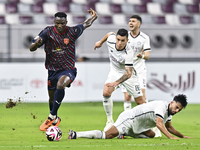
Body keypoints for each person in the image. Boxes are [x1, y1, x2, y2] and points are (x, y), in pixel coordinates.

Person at [29, 8, 98, 131]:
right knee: (51, 98)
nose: (60, 25)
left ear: (66, 22)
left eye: (62, 23)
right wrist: (36, 44)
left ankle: (51, 116)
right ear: (54, 22)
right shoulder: (47, 32)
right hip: (52, 71)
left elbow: (85, 24)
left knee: (61, 85)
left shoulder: (72, 31)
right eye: (57, 23)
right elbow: (31, 48)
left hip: (68, 69)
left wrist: (94, 17)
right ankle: (54, 117)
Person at [68, 94, 191, 140]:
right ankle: (76, 134)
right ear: (172, 102)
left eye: (179, 109)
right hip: (129, 119)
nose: (177, 110)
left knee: (151, 135)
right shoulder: (162, 106)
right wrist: (170, 138)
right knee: (107, 135)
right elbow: (159, 124)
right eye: (177, 107)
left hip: (138, 125)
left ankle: (124, 134)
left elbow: (169, 127)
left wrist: (182, 136)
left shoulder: (169, 113)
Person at [94, 28, 145, 132]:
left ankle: (152, 125)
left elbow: (128, 73)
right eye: (118, 39)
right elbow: (109, 34)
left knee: (141, 102)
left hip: (129, 75)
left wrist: (116, 83)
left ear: (127, 41)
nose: (119, 43)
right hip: (115, 72)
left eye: (122, 41)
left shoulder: (129, 52)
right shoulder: (111, 39)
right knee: (106, 92)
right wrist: (100, 42)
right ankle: (109, 121)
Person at [122, 15, 151, 112]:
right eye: (130, 21)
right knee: (127, 96)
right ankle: (127, 119)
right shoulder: (125, 37)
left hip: (139, 69)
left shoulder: (144, 38)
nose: (130, 23)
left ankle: (148, 119)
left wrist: (141, 56)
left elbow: (147, 55)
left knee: (142, 94)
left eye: (133, 21)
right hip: (127, 69)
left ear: (139, 24)